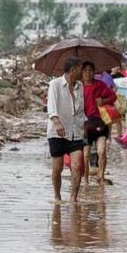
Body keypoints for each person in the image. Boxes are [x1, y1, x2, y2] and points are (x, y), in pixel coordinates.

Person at [46, 56, 86, 203]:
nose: (83, 72)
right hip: (57, 132)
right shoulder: (55, 84)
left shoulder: (80, 86)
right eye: (81, 69)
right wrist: (57, 122)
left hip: (76, 131)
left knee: (77, 165)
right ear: (73, 70)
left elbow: (80, 109)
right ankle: (57, 196)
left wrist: (85, 124)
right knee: (57, 168)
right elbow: (51, 107)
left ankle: (73, 198)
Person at [81, 61, 116, 185]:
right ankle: (85, 181)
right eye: (85, 70)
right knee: (85, 155)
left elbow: (113, 97)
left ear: (94, 72)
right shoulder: (78, 86)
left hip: (101, 123)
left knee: (101, 152)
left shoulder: (100, 85)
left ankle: (100, 177)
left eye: (90, 70)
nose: (88, 73)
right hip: (85, 125)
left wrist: (103, 100)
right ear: (81, 72)